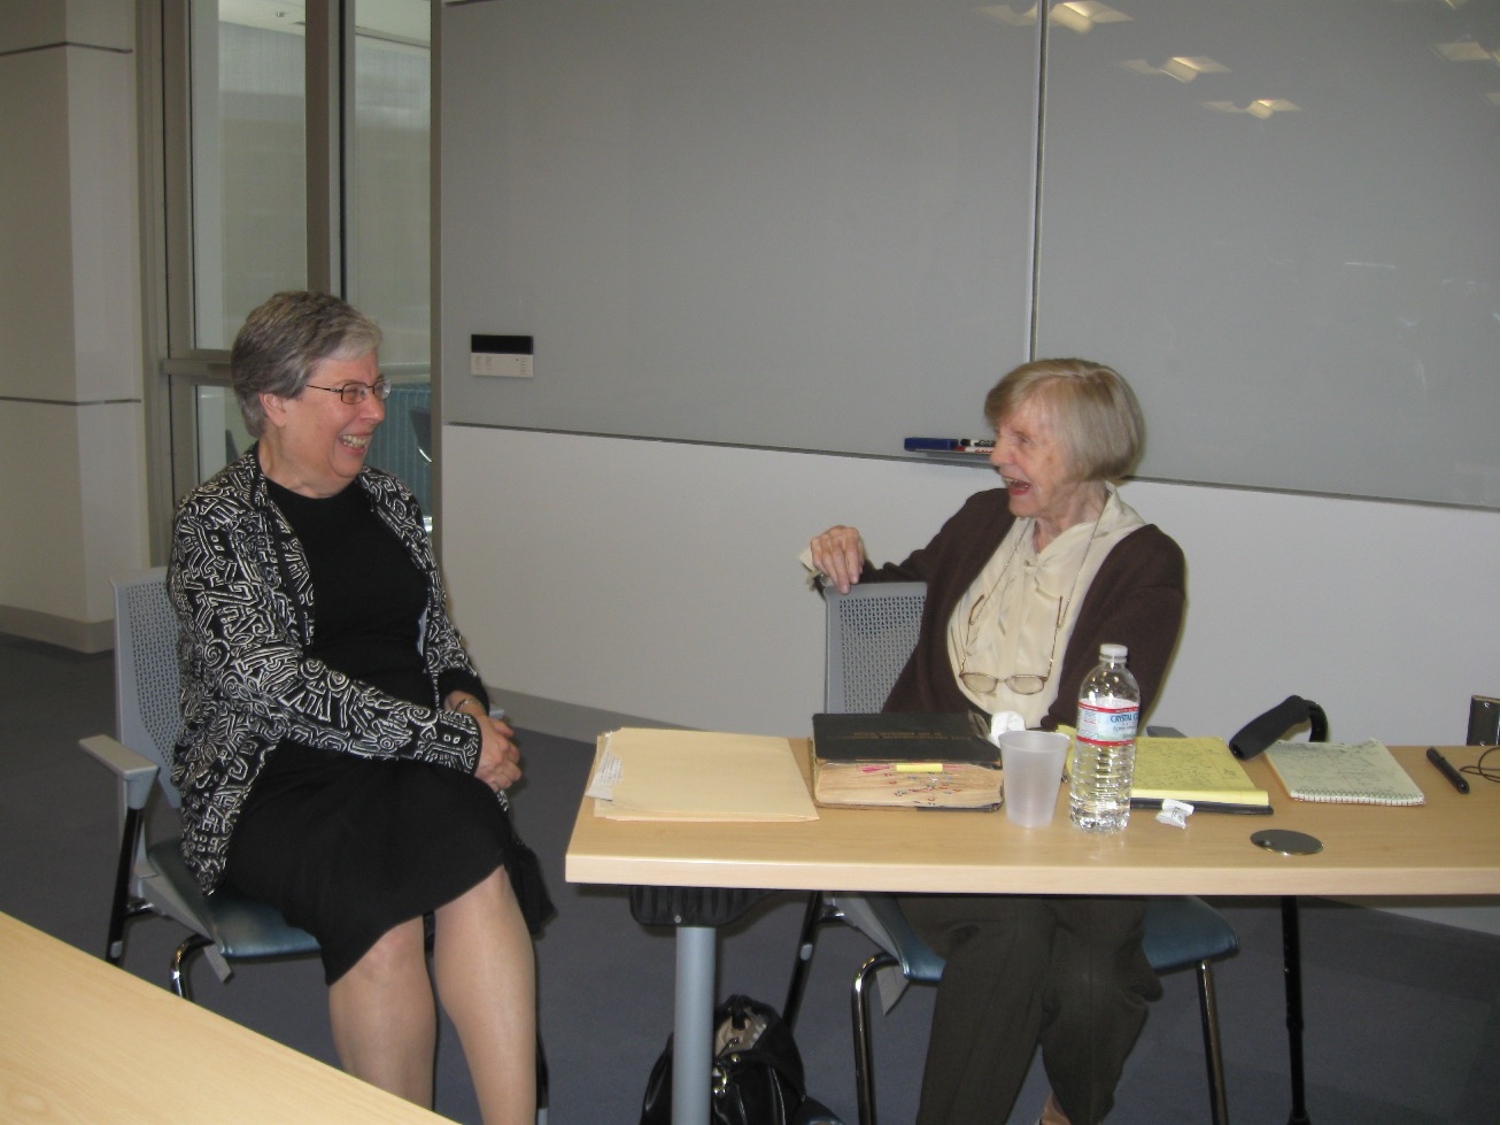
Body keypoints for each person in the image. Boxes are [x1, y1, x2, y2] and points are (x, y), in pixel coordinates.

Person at [168, 290, 548, 1124]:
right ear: (273, 400)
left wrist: (464, 701)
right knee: (379, 918)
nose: (375, 411)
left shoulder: (387, 499)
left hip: (410, 754)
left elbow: (435, 631)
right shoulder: (216, 524)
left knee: (476, 864)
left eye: (375, 388)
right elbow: (278, 689)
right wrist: (454, 740)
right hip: (275, 779)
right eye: (350, 393)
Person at [805, 358, 1185, 1125]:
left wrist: (1017, 802)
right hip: (929, 794)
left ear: (1088, 449)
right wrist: (834, 557)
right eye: (998, 436)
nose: (998, 455)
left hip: (1059, 810)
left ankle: (1069, 1108)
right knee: (1015, 935)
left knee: (1089, 973)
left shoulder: (1146, 563)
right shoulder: (984, 518)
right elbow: (885, 591)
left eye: (1023, 439)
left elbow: (1093, 720)